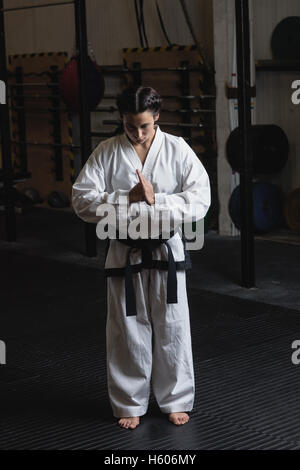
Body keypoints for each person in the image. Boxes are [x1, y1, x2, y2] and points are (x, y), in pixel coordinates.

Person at [72, 85, 211, 430]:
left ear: (158, 118)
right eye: (130, 126)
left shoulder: (177, 150)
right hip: (125, 249)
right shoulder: (107, 151)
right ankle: (129, 401)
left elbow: (200, 199)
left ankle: (175, 399)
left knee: (173, 324)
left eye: (144, 126)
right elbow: (81, 200)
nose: (136, 133)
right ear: (122, 119)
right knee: (126, 327)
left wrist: (156, 200)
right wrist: (125, 197)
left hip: (166, 247)